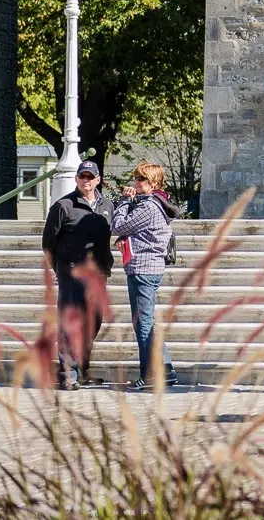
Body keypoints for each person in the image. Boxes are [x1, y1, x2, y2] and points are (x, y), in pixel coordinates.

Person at [41, 160, 114, 390]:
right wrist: (60, 270)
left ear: (98, 180)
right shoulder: (63, 206)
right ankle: (68, 373)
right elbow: (48, 243)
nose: (86, 180)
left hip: (98, 275)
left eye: (90, 177)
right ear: (76, 179)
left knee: (94, 322)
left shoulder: (108, 205)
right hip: (71, 274)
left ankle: (83, 368)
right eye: (82, 176)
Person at [111, 161, 179, 390]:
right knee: (148, 321)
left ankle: (149, 375)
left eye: (142, 180)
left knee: (142, 324)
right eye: (137, 179)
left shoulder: (148, 206)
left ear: (154, 183)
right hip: (149, 267)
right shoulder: (156, 204)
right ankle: (166, 369)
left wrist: (124, 202)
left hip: (143, 268)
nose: (137, 183)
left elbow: (119, 226)